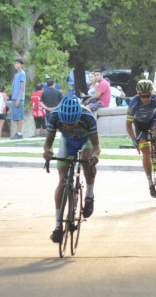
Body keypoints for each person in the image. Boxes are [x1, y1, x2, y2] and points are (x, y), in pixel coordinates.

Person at [43, 96, 101, 242]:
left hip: (86, 141)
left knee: (87, 163)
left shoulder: (87, 117)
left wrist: (94, 155)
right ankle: (58, 227)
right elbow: (48, 143)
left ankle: (89, 195)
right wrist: (48, 152)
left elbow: (96, 146)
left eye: (72, 123)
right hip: (67, 142)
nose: (68, 127)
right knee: (62, 180)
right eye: (65, 124)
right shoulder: (55, 116)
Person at [10, 58, 27, 139]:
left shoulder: (22, 73)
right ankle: (17, 132)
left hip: (19, 98)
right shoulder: (16, 74)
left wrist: (18, 98)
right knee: (16, 116)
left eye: (17, 63)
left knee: (20, 116)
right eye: (15, 63)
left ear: (21, 65)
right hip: (14, 97)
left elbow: (22, 87)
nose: (16, 65)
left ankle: (19, 133)